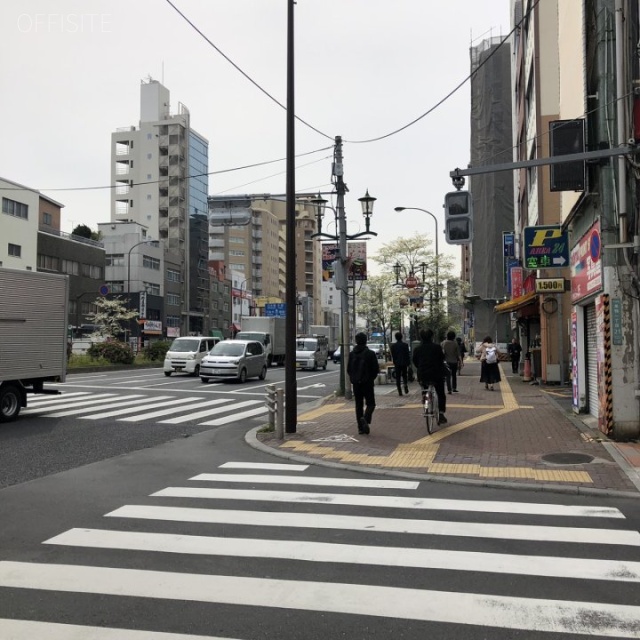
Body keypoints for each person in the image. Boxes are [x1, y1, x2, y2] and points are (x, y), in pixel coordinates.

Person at [347, 332, 380, 435]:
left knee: (358, 405)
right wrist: (370, 378)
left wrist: (354, 378)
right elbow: (375, 369)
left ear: (356, 341)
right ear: (366, 341)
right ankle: (365, 418)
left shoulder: (352, 354)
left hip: (356, 383)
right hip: (367, 382)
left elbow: (349, 369)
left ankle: (360, 428)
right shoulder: (370, 354)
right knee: (371, 404)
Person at [412, 328, 447, 424]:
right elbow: (442, 359)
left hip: (423, 374)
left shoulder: (417, 349)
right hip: (436, 374)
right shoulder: (437, 347)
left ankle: (425, 400)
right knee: (440, 393)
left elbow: (415, 362)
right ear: (432, 336)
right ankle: (441, 413)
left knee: (424, 388)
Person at [390, 332, 411, 396]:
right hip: (404, 362)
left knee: (398, 377)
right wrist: (408, 363)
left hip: (397, 363)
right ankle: (405, 385)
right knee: (404, 375)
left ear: (396, 338)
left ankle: (399, 391)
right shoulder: (405, 345)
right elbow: (407, 354)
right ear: (402, 337)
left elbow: (393, 355)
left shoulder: (393, 346)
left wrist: (394, 362)